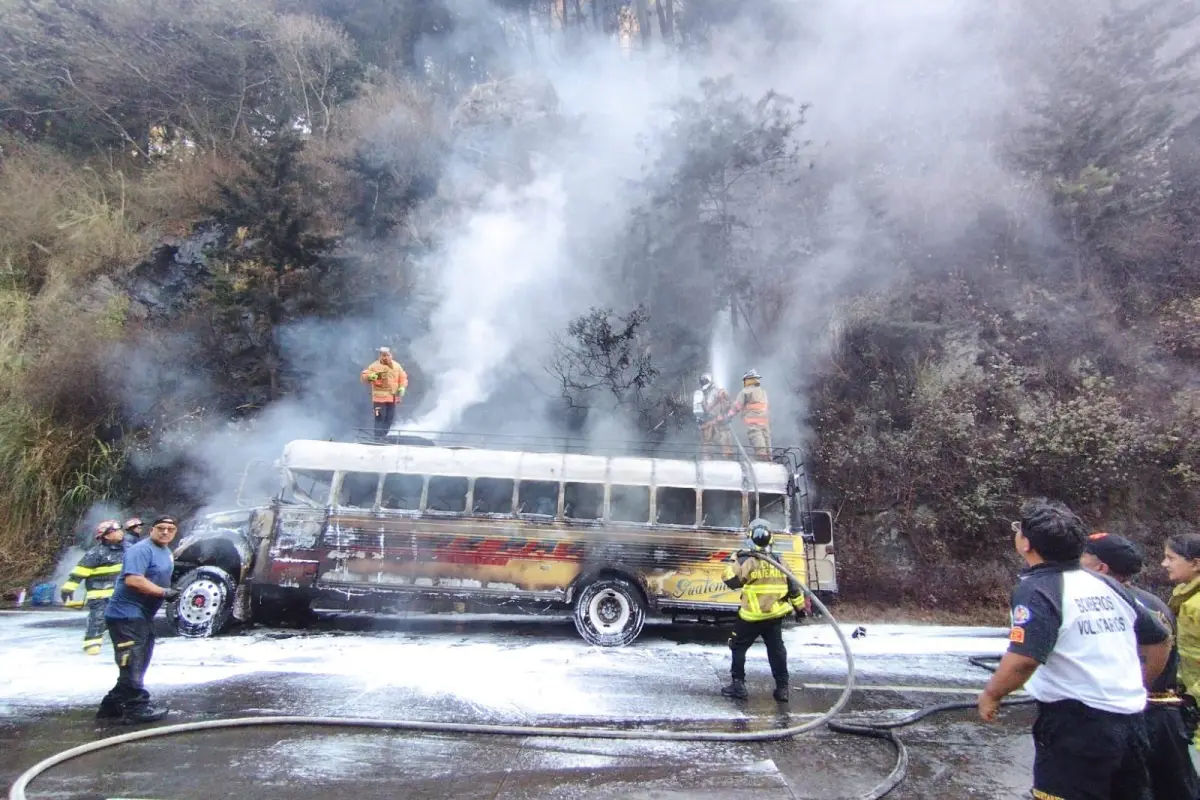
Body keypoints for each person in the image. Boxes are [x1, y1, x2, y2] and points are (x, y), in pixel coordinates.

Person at [977, 500, 1171, 800]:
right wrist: (1140, 685)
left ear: (1027, 544)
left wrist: (992, 695)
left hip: (1077, 726)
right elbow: (1159, 639)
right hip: (1131, 720)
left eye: (1018, 529)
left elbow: (1023, 659)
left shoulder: (1038, 588)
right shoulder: (1108, 584)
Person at [1082, 532, 1200, 800]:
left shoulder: (1110, 604)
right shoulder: (1161, 601)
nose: (1164, 564)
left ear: (1101, 568)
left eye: (1171, 558)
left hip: (1145, 710)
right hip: (1171, 709)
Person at [98, 516, 181, 724]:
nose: (165, 532)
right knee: (133, 660)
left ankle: (112, 705)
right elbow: (133, 579)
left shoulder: (166, 552)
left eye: (170, 529)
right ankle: (135, 707)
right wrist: (164, 592)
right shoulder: (141, 550)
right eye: (161, 528)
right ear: (151, 530)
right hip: (125, 615)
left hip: (141, 615)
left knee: (140, 659)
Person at [720, 518, 805, 703]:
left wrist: (733, 560)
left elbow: (730, 581)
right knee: (776, 650)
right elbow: (794, 589)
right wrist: (800, 610)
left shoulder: (746, 560)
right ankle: (782, 689)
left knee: (737, 646)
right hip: (774, 616)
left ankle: (738, 685)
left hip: (750, 616)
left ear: (750, 537)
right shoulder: (779, 561)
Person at [60, 520, 127, 655]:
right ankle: (92, 645)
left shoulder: (127, 550)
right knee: (98, 619)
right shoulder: (97, 552)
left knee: (124, 620)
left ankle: (125, 646)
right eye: (117, 530)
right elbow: (80, 571)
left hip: (119, 595)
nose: (121, 532)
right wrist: (69, 588)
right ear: (106, 535)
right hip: (99, 596)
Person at [1163, 533, 1200, 750]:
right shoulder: (1186, 597)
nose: (1164, 564)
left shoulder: (1195, 605)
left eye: (1171, 558)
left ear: (1195, 563)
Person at [360, 346, 409, 441]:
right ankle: (378, 438)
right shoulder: (374, 366)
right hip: (379, 399)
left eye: (387, 355)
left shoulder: (397, 366)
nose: (385, 357)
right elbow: (364, 377)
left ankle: (383, 436)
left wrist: (402, 387)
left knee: (389, 418)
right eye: (383, 355)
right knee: (379, 418)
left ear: (391, 355)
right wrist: (375, 376)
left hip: (392, 398)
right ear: (380, 356)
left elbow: (403, 378)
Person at [724, 369, 771, 461]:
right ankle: (769, 461)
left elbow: (737, 406)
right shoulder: (763, 391)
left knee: (759, 445)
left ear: (747, 380)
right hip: (764, 423)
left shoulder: (745, 391)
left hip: (754, 423)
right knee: (767, 443)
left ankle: (763, 463)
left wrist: (728, 416)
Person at [696, 373, 734, 459]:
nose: (703, 384)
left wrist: (725, 417)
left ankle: (728, 463)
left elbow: (731, 405)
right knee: (707, 447)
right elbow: (702, 411)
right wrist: (701, 420)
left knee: (726, 447)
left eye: (704, 382)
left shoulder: (720, 392)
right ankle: (707, 463)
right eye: (702, 382)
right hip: (709, 425)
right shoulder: (703, 395)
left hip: (721, 425)